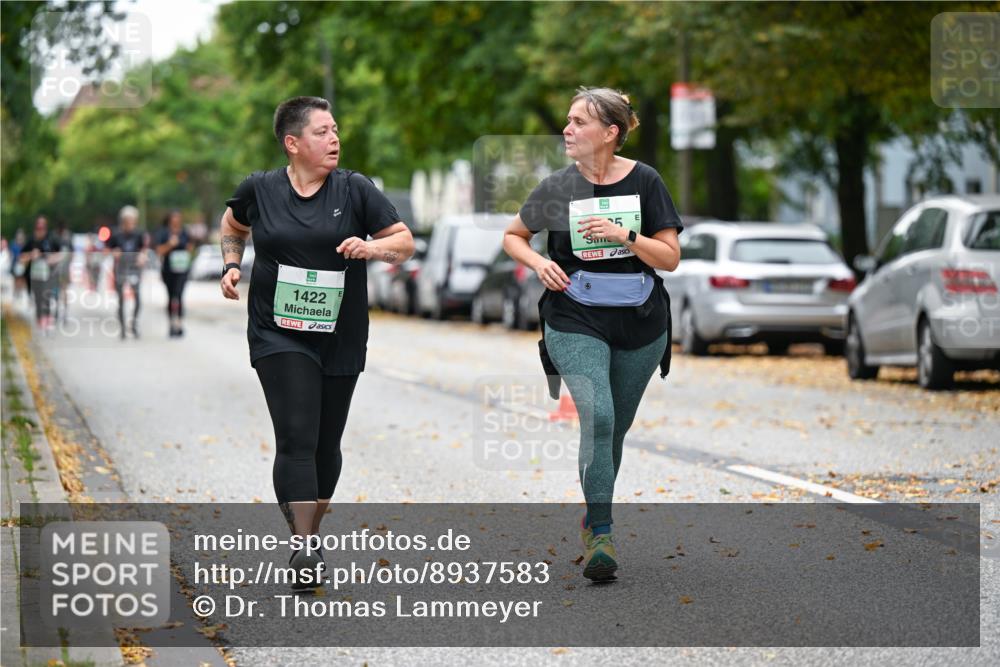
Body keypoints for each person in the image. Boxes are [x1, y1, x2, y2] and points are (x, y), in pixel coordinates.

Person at [219, 96, 414, 588]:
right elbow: (233, 225)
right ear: (293, 143)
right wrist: (231, 263)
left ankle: (310, 531)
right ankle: (304, 547)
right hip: (278, 331)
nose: (334, 140)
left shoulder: (356, 190)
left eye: (335, 131)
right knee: (298, 437)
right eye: (323, 132)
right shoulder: (259, 189)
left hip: (341, 334)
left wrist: (372, 247)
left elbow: (404, 242)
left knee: (327, 446)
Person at [503, 87, 682, 581]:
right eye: (567, 120)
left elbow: (669, 257)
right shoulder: (557, 186)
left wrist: (624, 235)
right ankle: (601, 533)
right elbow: (513, 236)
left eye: (579, 122)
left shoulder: (646, 181)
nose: (567, 129)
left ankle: (593, 511)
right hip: (573, 315)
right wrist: (541, 263)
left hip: (640, 320)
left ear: (611, 133)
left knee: (613, 429)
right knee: (598, 415)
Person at [106, 206, 148, 339]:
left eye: (132, 220)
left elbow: (144, 249)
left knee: (137, 298)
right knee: (121, 300)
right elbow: (107, 250)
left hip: (134, 268)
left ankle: (134, 324)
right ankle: (123, 327)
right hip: (120, 268)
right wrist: (114, 252)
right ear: (123, 221)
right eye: (128, 220)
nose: (130, 223)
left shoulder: (139, 234)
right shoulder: (116, 234)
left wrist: (142, 256)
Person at [19, 216, 66, 333]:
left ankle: (46, 320)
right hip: (33, 275)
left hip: (48, 274)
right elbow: (21, 258)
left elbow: (62, 254)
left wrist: (51, 258)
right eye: (38, 228)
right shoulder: (31, 240)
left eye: (43, 228)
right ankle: (40, 319)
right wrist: (31, 255)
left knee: (46, 297)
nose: (40, 231)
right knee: (38, 298)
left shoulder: (52, 239)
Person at [154, 210, 195, 337]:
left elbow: (190, 247)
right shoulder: (163, 233)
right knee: (171, 296)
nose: (176, 221)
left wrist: (188, 248)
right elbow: (159, 251)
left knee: (179, 295)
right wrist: (170, 245)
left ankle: (179, 323)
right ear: (170, 220)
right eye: (174, 219)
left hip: (182, 270)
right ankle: (171, 324)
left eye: (178, 219)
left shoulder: (184, 232)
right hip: (168, 270)